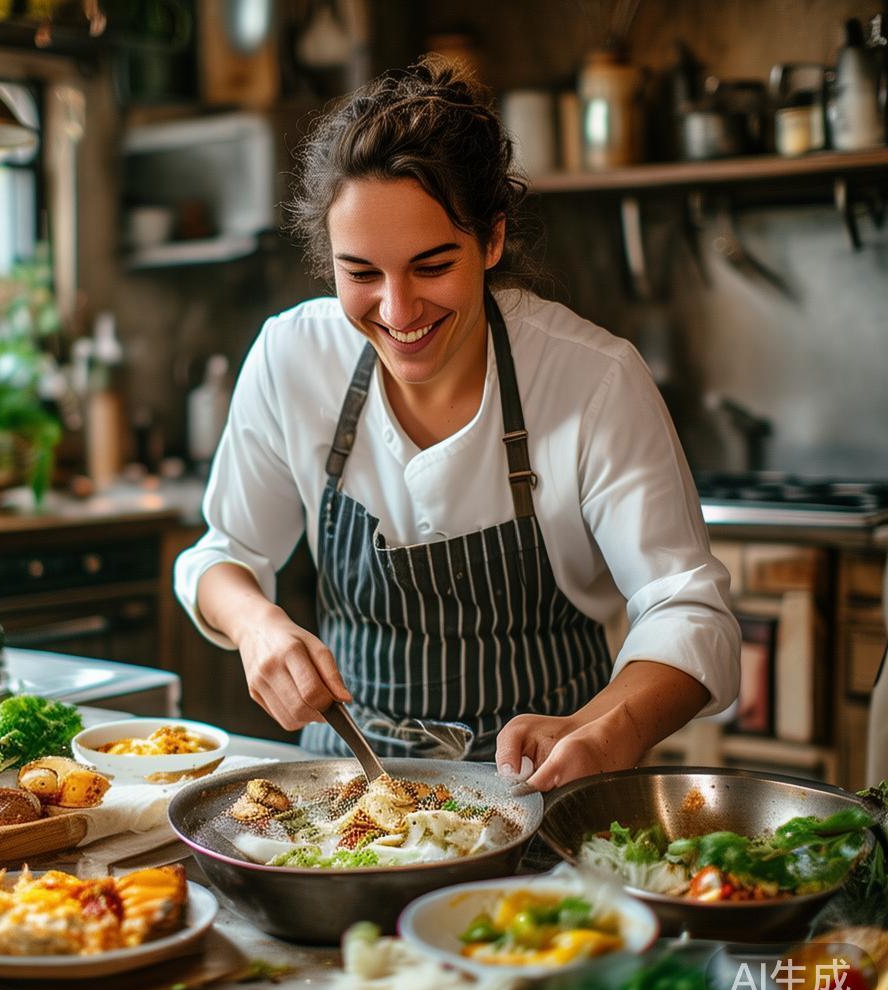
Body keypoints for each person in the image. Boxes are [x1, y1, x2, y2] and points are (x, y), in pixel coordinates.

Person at [175, 56, 740, 792]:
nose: (398, 311)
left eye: (432, 265)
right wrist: (256, 626)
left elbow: (690, 611)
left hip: (538, 790)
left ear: (491, 242)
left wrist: (608, 728)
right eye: (362, 273)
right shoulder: (293, 356)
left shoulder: (591, 379)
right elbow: (223, 554)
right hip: (345, 795)